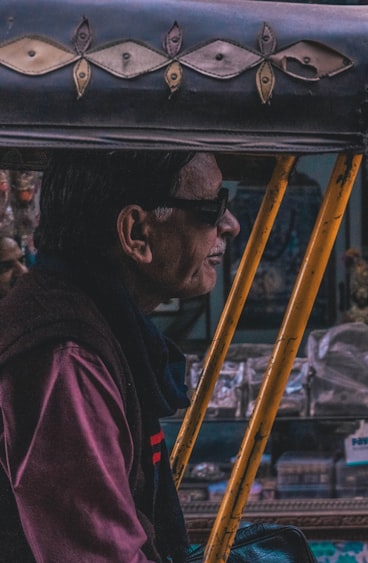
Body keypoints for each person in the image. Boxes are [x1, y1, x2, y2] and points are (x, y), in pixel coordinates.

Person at [0, 151, 240, 562]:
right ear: (136, 233)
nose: (230, 225)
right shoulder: (65, 358)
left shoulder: (91, 322)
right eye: (210, 209)